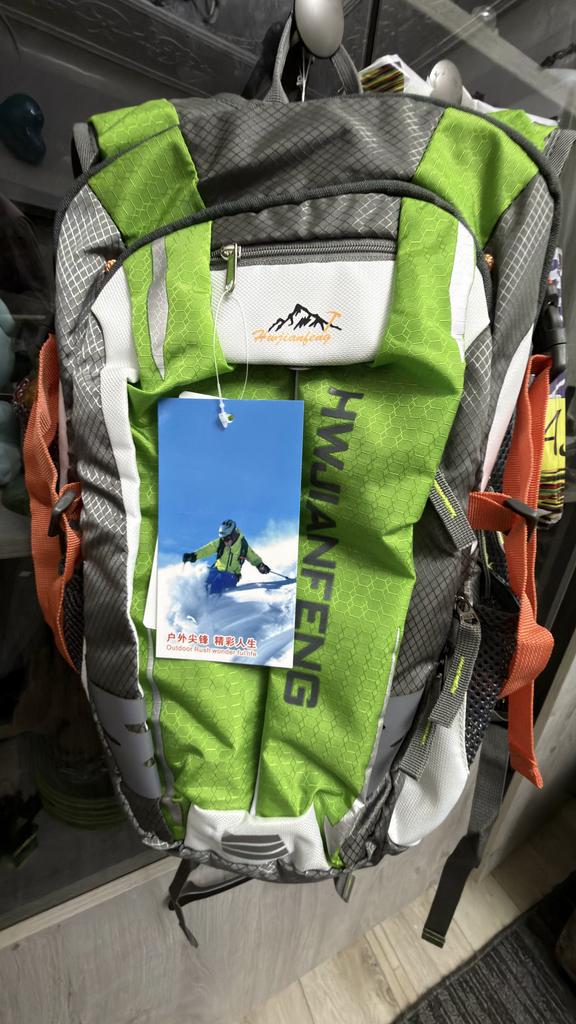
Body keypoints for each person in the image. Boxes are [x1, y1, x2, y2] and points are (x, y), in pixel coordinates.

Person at [182, 519, 270, 594]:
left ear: (233, 535)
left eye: (227, 539)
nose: (225, 541)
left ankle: (211, 603)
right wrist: (193, 556)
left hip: (231, 576)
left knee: (218, 581)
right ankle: (194, 601)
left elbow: (253, 556)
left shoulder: (243, 546)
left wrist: (260, 565)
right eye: (223, 538)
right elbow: (207, 549)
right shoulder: (221, 543)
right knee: (202, 577)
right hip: (217, 570)